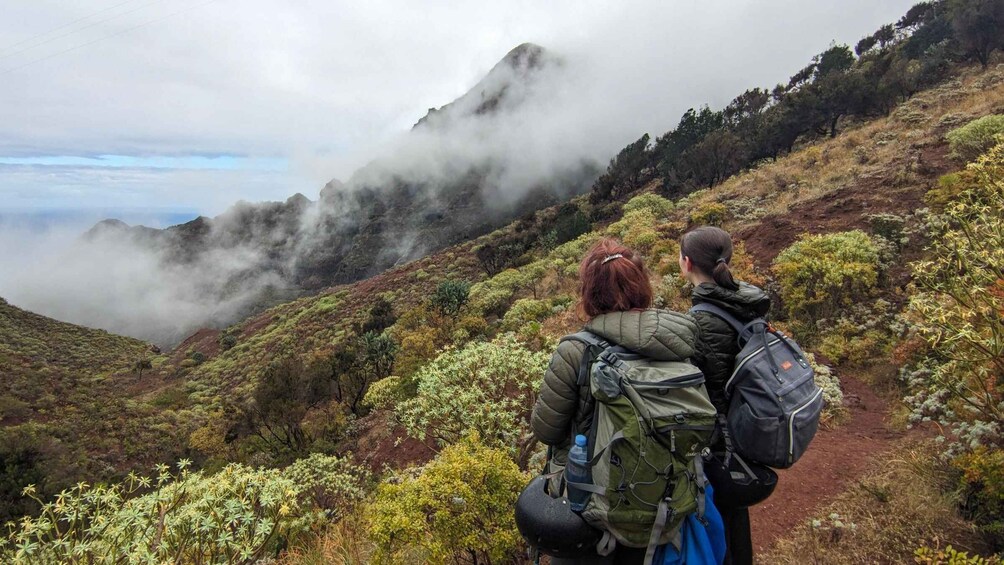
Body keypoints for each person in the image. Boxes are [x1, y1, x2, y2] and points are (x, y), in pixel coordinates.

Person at [530, 238, 702, 564]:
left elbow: (546, 430)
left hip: (590, 506)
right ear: (642, 285)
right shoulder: (677, 343)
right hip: (664, 503)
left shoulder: (576, 351)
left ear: (589, 293)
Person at [679, 226, 771, 565]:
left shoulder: (699, 322)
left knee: (718, 532)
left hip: (718, 450)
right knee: (737, 526)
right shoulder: (749, 303)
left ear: (686, 263)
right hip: (748, 434)